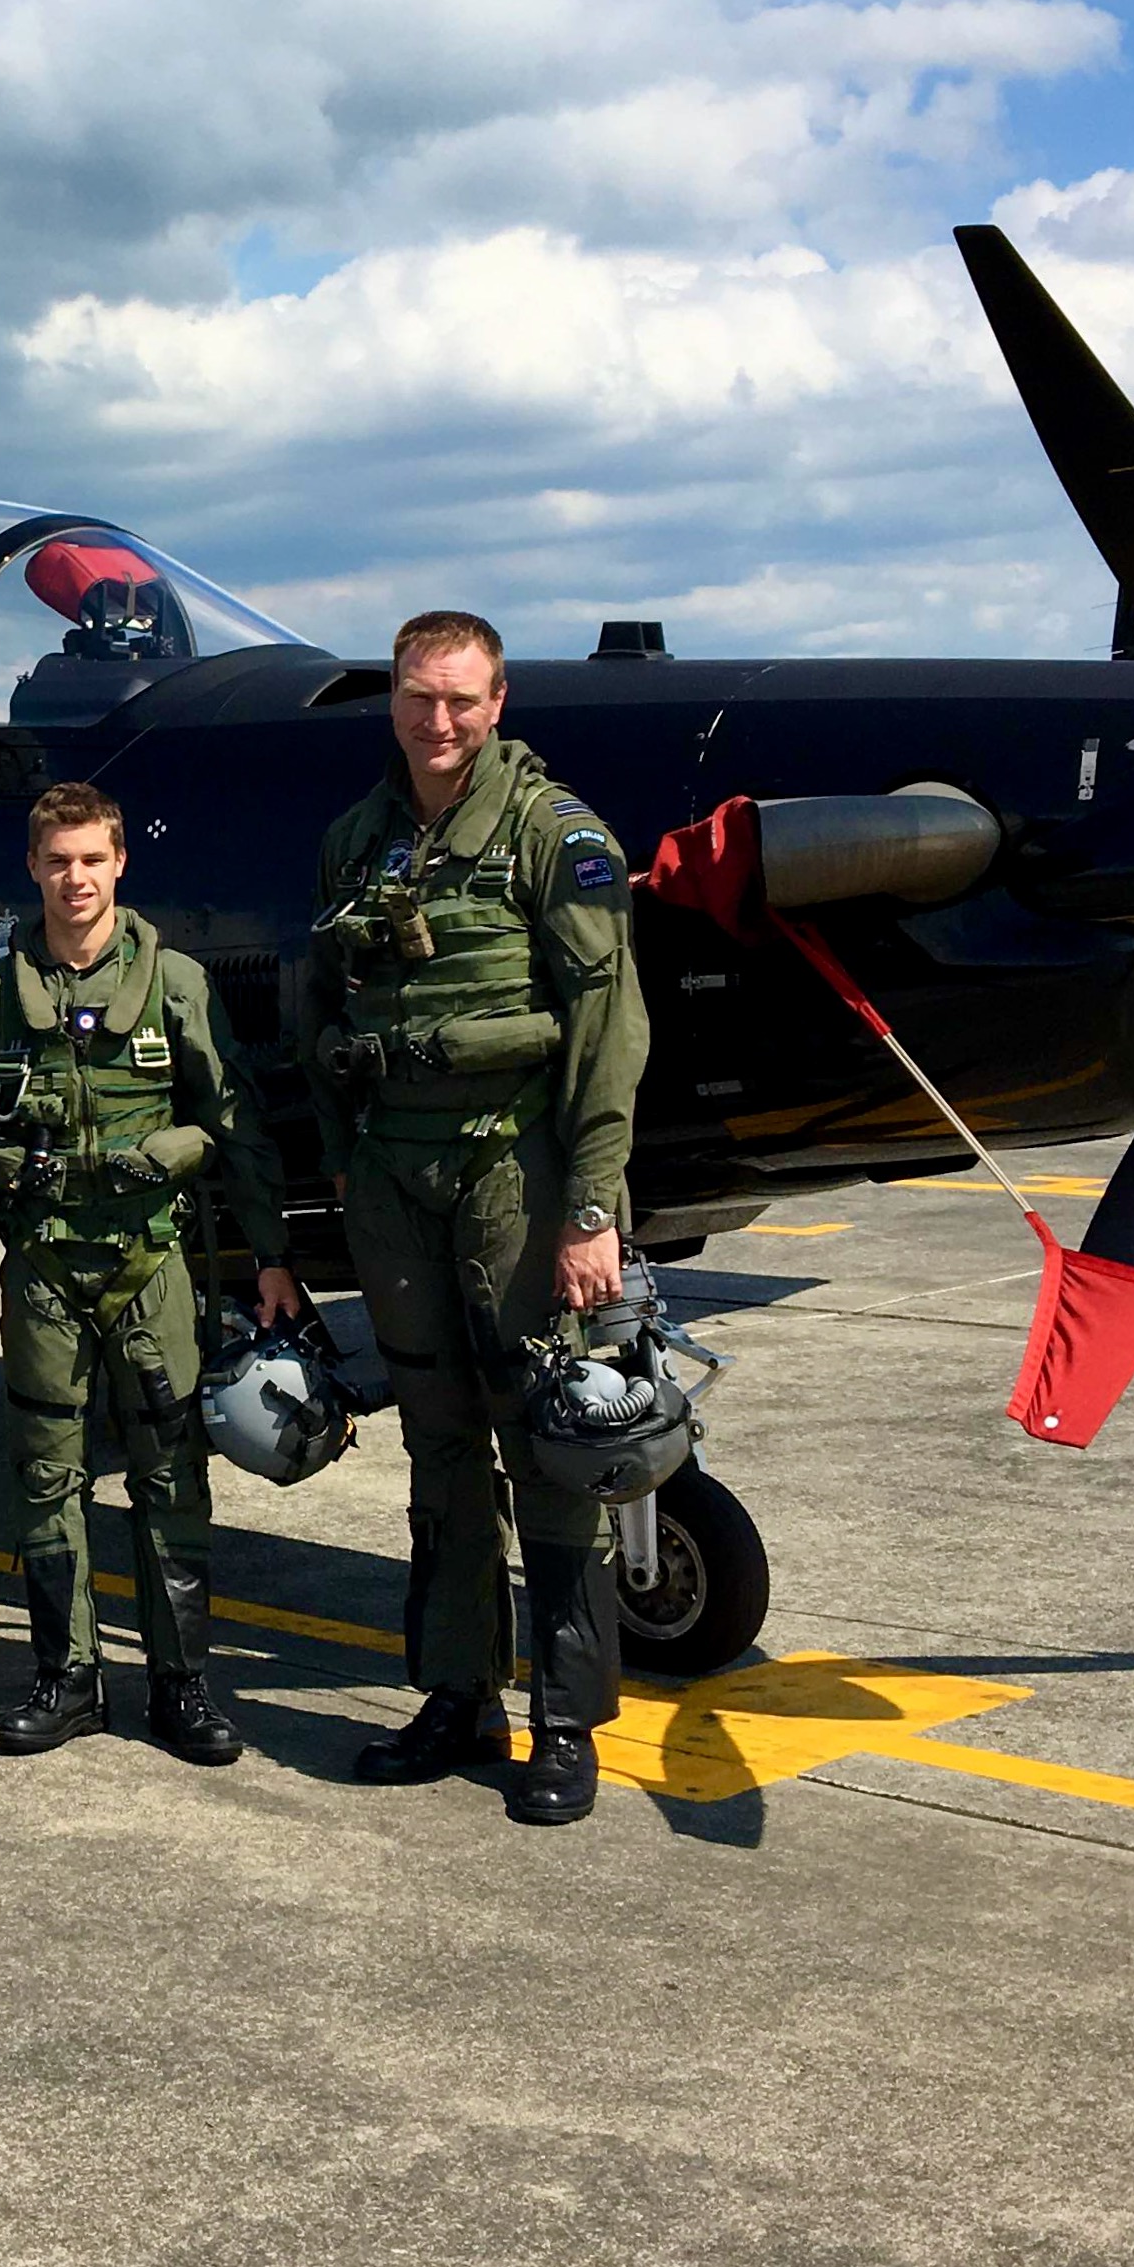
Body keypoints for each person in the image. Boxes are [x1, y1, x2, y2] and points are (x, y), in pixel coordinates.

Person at [297, 609, 649, 1826]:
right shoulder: (356, 842)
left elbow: (607, 1032)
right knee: (437, 1443)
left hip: (513, 1176)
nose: (434, 722)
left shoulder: (554, 837)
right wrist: (345, 1163)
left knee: (544, 1441)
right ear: (389, 702)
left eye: (458, 700)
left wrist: (590, 1208)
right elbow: (319, 1014)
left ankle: (562, 1724)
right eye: (414, 698)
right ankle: (456, 1696)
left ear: (496, 705)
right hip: (395, 1183)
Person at [0, 781, 300, 1764]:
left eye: (90, 859)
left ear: (118, 862)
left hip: (151, 1267)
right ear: (32, 868)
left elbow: (235, 1123)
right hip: (44, 1269)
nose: (74, 878)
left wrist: (270, 1259)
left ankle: (180, 1686)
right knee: (45, 1477)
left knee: (170, 1479)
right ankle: (65, 1680)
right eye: (56, 861)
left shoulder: (175, 984)